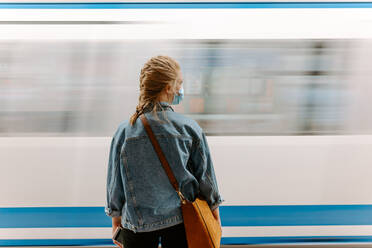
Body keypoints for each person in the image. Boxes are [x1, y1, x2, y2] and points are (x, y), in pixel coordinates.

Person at [105, 55, 223, 248]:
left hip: (136, 224)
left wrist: (116, 222)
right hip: (180, 222)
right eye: (180, 83)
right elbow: (206, 180)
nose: (181, 89)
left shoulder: (124, 131)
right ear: (168, 87)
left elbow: (114, 183)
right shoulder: (189, 128)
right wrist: (214, 217)